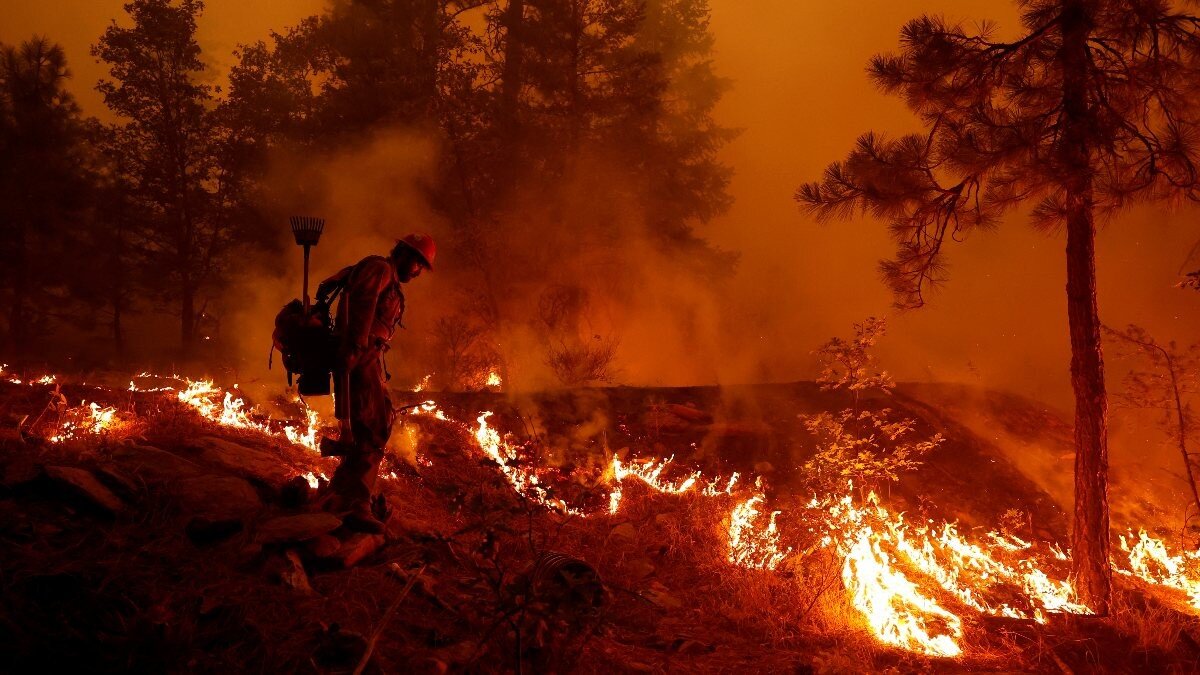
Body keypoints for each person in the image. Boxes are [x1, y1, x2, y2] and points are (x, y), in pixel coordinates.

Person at [323, 233, 435, 533]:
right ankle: (356, 504)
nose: (418, 271)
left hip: (369, 356)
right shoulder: (380, 269)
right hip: (361, 355)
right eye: (417, 264)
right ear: (404, 255)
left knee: (379, 419)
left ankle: (341, 492)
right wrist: (355, 351)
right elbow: (361, 309)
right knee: (372, 428)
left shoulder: (388, 278)